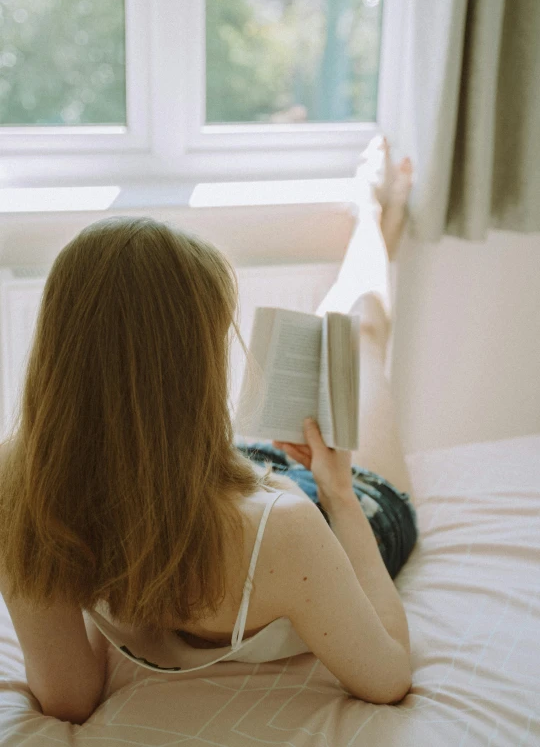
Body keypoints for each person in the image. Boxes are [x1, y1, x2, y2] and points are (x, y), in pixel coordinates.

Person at [0, 136, 417, 724]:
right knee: (361, 333)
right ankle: (374, 221)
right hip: (331, 505)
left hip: (219, 480)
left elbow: (68, 693)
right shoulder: (287, 528)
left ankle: (374, 221)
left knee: (344, 328)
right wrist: (343, 494)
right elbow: (391, 675)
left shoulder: (14, 482)